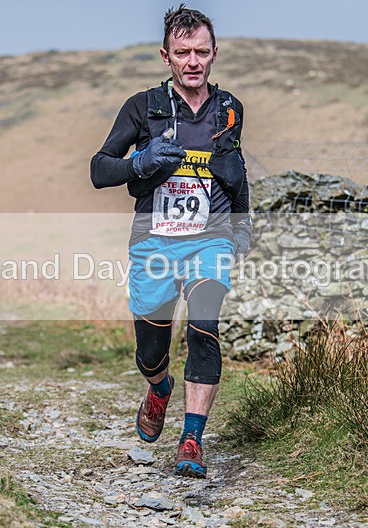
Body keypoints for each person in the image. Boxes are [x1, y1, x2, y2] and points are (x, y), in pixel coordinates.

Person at [90, 4, 250, 478]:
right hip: (154, 244)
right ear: (166, 56)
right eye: (183, 52)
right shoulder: (142, 108)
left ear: (215, 53)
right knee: (151, 351)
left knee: (205, 330)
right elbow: (99, 169)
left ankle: (192, 439)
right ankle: (159, 389)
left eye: (202, 51)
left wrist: (242, 224)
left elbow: (235, 173)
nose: (193, 61)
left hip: (210, 240)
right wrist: (137, 166)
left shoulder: (229, 110)